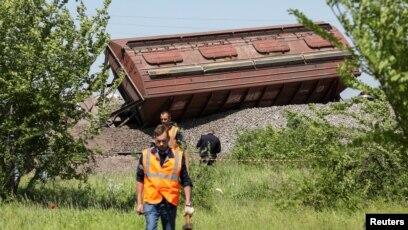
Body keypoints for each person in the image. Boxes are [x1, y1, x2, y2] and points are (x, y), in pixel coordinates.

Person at [136, 124, 194, 230]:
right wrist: (139, 203)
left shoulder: (178, 156)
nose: (161, 144)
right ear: (154, 139)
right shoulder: (146, 155)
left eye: (164, 140)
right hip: (151, 200)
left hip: (170, 201)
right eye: (158, 141)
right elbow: (139, 179)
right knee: (150, 227)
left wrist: (188, 202)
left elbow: (186, 180)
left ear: (168, 139)